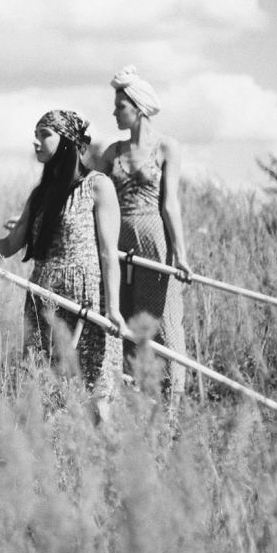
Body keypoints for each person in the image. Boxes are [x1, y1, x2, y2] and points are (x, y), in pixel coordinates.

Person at [0, 110, 126, 401]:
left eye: (45, 135)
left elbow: (108, 253)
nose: (37, 142)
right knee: (46, 388)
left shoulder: (98, 186)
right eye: (36, 135)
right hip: (44, 298)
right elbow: (8, 246)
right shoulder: (41, 194)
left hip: (86, 300)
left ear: (67, 140)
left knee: (94, 391)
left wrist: (114, 309)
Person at [96, 66, 190, 398]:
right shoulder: (113, 152)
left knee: (164, 321)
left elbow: (170, 204)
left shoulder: (166, 148)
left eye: (120, 106)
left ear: (137, 108)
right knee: (124, 316)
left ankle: (172, 403)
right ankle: (133, 398)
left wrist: (181, 254)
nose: (114, 112)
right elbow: (85, 190)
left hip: (155, 241)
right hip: (117, 243)